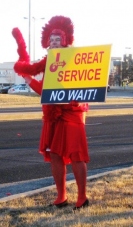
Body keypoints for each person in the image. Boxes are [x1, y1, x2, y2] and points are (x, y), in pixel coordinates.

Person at [12, 16, 89, 210]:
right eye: (51, 40)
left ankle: (82, 197)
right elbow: (45, 92)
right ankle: (61, 196)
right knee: (54, 154)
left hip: (71, 112)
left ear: (65, 41)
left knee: (76, 154)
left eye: (57, 39)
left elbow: (86, 83)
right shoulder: (48, 63)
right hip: (53, 114)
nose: (53, 42)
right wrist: (28, 78)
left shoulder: (75, 60)